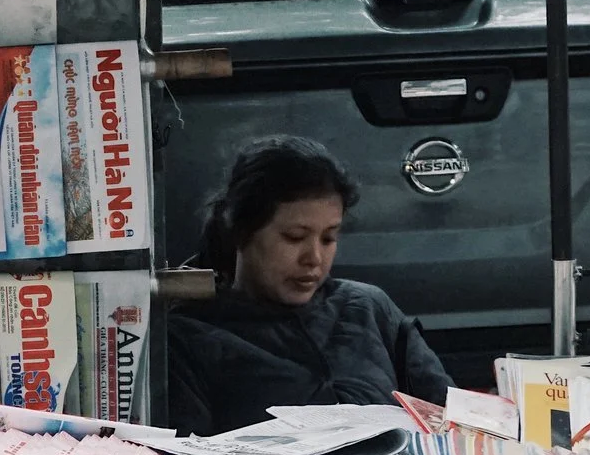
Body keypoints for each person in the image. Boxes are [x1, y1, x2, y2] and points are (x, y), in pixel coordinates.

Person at [162, 136, 450, 437]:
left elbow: (451, 423)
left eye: (328, 238)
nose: (314, 258)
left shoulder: (369, 308)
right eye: (295, 237)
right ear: (240, 231)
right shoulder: (190, 337)